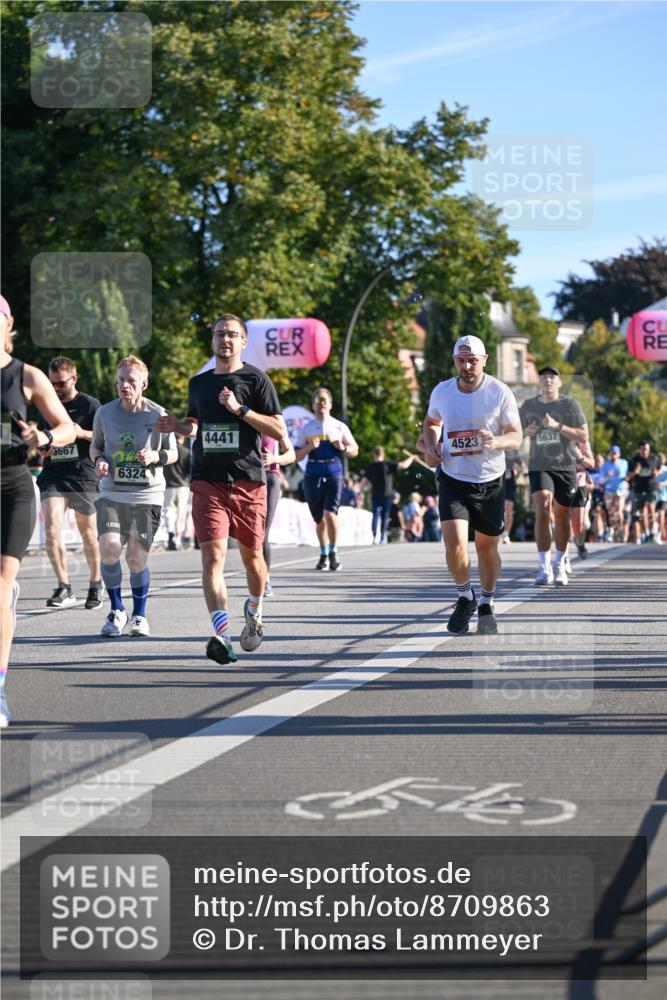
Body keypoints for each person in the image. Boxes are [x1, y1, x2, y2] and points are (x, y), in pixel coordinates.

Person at [156, 314, 285, 665]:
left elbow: (277, 429)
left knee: (253, 560)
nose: (224, 340)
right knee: (212, 558)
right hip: (207, 481)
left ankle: (255, 610)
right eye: (219, 335)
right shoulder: (198, 384)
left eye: (232, 335)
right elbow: (193, 425)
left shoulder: (256, 379)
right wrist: (176, 425)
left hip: (248, 481)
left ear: (243, 341)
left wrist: (240, 409)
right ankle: (222, 635)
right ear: (212, 341)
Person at [1, 295, 75, 727]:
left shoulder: (25, 375)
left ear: (8, 325)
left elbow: (66, 427)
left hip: (12, 488)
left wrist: (42, 438)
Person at [422, 334, 522, 635]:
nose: (466, 366)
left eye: (472, 361)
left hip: (489, 480)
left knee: (486, 547)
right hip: (453, 478)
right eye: (461, 360)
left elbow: (516, 435)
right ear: (454, 360)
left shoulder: (499, 392)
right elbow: (431, 424)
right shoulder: (442, 391)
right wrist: (431, 448)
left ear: (484, 360)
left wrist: (498, 441)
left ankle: (487, 602)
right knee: (453, 542)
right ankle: (465, 596)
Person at [90, 356, 177, 638]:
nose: (124, 385)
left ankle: (139, 615)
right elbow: (95, 448)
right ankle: (117, 609)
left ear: (144, 384)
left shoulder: (159, 414)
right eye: (120, 380)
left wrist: (156, 455)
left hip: (146, 497)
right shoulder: (105, 413)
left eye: (130, 380)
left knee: (137, 559)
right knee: (110, 549)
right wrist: (99, 461)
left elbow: (174, 454)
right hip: (112, 494)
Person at [36, 356, 102, 609]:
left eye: (61, 383)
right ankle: (64, 587)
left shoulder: (90, 404)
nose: (55, 389)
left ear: (73, 379)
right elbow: (45, 437)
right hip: (54, 474)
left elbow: (105, 437)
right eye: (52, 383)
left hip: (83, 473)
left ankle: (96, 584)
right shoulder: (46, 405)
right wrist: (43, 448)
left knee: (88, 532)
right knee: (51, 528)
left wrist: (80, 432)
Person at [519, 365, 588, 586]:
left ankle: (559, 562)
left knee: (561, 515)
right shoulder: (529, 405)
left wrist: (558, 426)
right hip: (539, 465)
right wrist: (524, 433)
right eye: (544, 377)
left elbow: (583, 434)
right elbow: (513, 434)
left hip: (565, 466)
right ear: (538, 383)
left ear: (559, 382)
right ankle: (543, 567)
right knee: (542, 506)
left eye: (552, 377)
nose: (548, 380)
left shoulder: (569, 404)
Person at [293, 387, 359, 572]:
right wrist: (308, 448)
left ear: (330, 404)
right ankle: (323, 553)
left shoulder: (339, 426)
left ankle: (333, 553)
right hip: (313, 473)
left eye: (324, 400)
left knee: (331, 514)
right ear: (313, 405)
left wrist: (343, 448)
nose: (321, 404)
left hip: (334, 472)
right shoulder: (306, 428)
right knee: (319, 519)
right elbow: (296, 455)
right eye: (317, 400)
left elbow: (356, 449)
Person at [261, 430, 295, 596]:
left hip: (270, 478)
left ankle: (265, 579)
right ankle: (255, 574)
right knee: (251, 534)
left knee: (263, 533)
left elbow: (291, 455)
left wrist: (275, 459)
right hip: (247, 479)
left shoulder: (274, 423)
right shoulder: (243, 418)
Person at [360, 446, 415, 544]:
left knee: (375, 516)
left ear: (374, 454)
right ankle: (382, 537)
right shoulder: (387, 465)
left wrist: (359, 492)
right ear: (383, 453)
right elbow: (403, 465)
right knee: (385, 516)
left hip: (375, 495)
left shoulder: (370, 466)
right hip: (387, 495)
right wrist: (411, 458)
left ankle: (374, 537)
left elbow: (364, 481)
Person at [161, 434, 191, 550]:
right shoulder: (185, 451)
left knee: (169, 511)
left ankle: (170, 532)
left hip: (168, 485)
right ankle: (177, 539)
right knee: (181, 513)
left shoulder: (166, 452)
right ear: (182, 438)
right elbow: (189, 470)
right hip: (183, 486)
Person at [626, 440, 659, 544]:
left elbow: (658, 472)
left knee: (650, 507)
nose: (645, 451)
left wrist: (655, 472)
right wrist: (636, 472)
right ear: (640, 449)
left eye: (647, 449)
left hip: (651, 488)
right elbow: (628, 476)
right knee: (642, 512)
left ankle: (654, 530)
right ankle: (647, 532)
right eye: (643, 449)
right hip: (639, 489)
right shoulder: (634, 460)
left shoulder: (653, 458)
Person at [567, 440, 594, 565]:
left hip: (579, 484)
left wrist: (580, 456)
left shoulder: (583, 441)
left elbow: (591, 464)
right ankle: (564, 556)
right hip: (563, 482)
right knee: (563, 520)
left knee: (578, 525)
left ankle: (580, 543)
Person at [599, 445, 628, 542]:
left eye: (615, 453)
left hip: (620, 490)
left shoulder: (624, 463)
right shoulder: (605, 465)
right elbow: (601, 480)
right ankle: (611, 531)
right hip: (609, 491)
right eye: (612, 453)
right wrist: (607, 475)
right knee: (610, 512)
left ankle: (619, 530)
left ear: (619, 454)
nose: (613, 455)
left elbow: (624, 475)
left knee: (619, 511)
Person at [501, 453, 522, 544]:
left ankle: (506, 534)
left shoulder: (514, 453)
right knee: (498, 510)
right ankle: (498, 534)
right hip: (496, 483)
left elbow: (521, 468)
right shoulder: (494, 446)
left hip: (509, 484)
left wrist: (516, 468)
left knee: (508, 509)